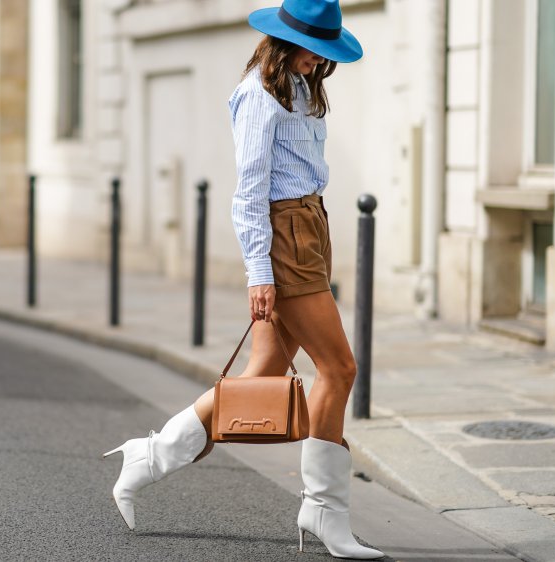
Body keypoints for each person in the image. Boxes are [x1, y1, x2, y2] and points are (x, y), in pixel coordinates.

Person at [103, 1, 383, 558]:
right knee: (339, 368)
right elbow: (249, 193)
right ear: (283, 43)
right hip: (284, 240)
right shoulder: (258, 95)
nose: (316, 62)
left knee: (263, 374)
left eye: (323, 54)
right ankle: (324, 510)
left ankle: (148, 458)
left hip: (310, 227)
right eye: (310, 51)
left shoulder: (301, 88)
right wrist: (260, 273)